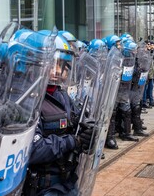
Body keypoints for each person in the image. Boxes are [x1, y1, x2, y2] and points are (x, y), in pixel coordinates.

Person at [24, 34, 96, 196]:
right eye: (51, 65)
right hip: (45, 187)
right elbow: (33, 150)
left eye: (61, 65)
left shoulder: (62, 95)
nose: (57, 71)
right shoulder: (27, 100)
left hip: (68, 181)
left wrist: (88, 133)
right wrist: (71, 141)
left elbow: (77, 123)